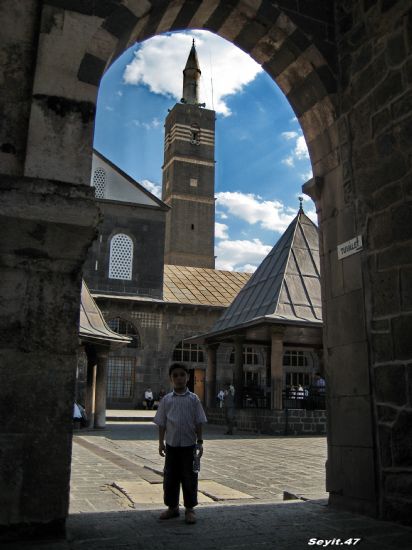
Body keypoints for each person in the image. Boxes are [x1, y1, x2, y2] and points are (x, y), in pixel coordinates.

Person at [154, 363, 207, 525]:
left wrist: (200, 442)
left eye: (182, 375)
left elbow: (198, 422)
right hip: (171, 445)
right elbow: (162, 423)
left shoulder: (194, 399)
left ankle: (190, 509)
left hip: (189, 446)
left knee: (189, 477)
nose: (179, 378)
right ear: (171, 379)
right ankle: (172, 507)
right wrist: (160, 443)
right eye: (175, 375)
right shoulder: (166, 400)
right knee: (170, 477)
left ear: (188, 377)